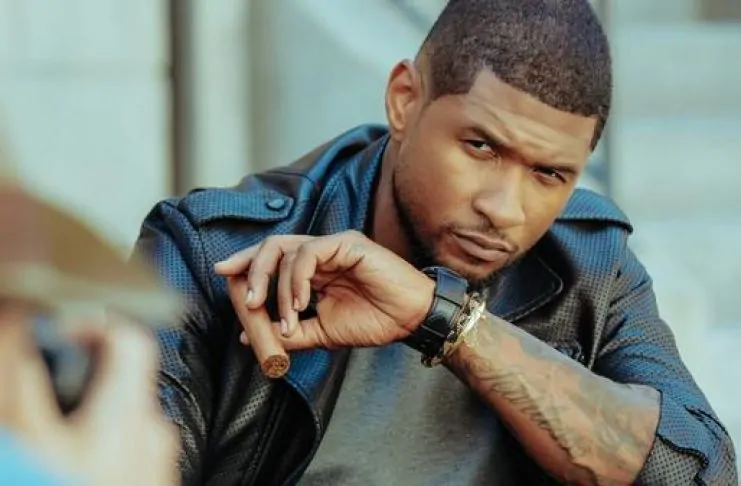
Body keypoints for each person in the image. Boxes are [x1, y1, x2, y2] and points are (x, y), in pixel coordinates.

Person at [134, 0, 737, 484]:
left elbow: (696, 472)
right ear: (405, 100)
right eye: (480, 146)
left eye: (549, 174)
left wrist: (445, 322)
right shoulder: (208, 250)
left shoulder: (591, 264)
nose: (504, 210)